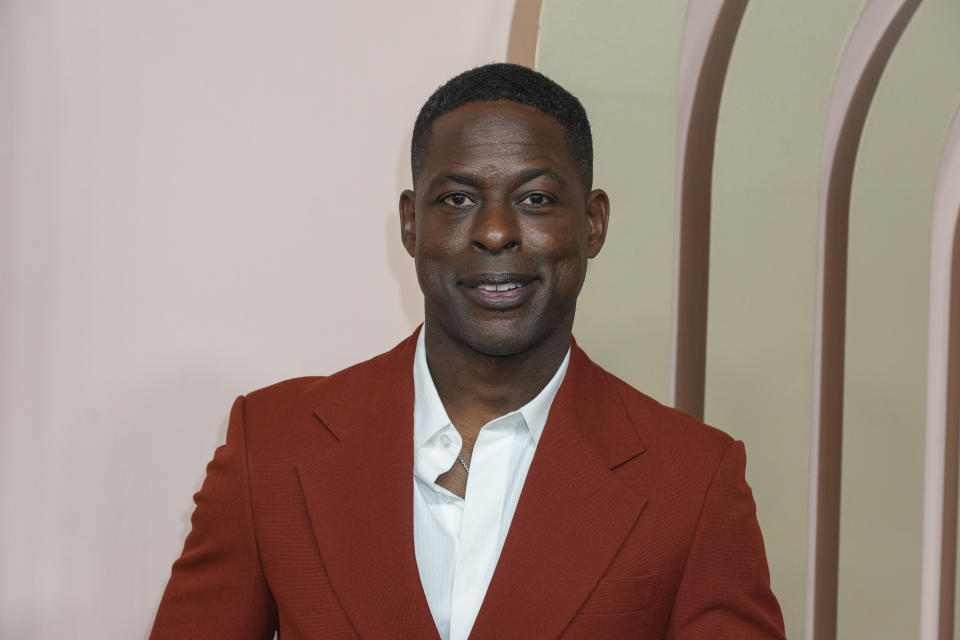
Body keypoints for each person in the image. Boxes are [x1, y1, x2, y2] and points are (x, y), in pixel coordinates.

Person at [150, 63, 785, 639]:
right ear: (410, 223)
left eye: (535, 199)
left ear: (592, 224)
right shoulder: (272, 446)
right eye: (458, 199)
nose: (495, 231)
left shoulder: (694, 480)